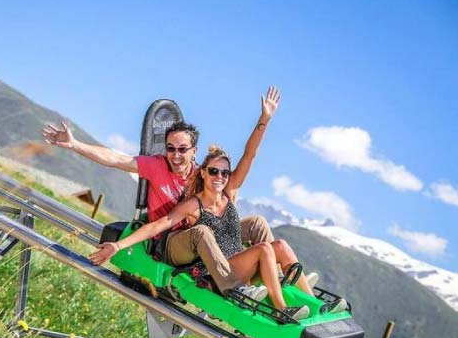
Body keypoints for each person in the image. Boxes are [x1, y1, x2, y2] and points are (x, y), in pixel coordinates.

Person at [42, 87, 320, 302]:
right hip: (169, 241)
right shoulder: (156, 165)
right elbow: (114, 158)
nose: (175, 155)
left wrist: (264, 120)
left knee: (256, 223)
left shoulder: (204, 175)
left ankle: (290, 286)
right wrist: (75, 144)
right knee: (203, 233)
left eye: (182, 149)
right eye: (170, 148)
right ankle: (234, 292)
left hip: (201, 238)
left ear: (194, 151)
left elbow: (248, 157)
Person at [91, 145, 314, 320]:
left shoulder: (229, 195)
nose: (220, 176)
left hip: (237, 262)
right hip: (220, 276)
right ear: (204, 173)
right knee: (264, 249)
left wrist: (264, 120)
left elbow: (249, 155)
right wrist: (118, 245)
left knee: (276, 241)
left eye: (225, 172)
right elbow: (159, 225)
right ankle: (281, 309)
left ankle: (313, 303)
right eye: (214, 171)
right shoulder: (192, 205)